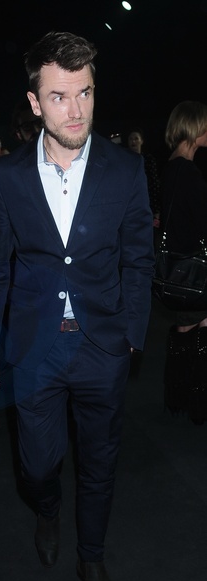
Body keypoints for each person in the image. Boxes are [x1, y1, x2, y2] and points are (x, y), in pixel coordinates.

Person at [0, 31, 155, 581]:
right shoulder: (9, 176)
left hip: (103, 345)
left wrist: (132, 336)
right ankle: (47, 508)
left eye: (85, 93)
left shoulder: (126, 170)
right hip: (34, 347)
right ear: (35, 103)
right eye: (59, 96)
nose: (75, 110)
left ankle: (92, 557)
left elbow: (139, 259)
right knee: (37, 464)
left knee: (100, 462)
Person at [160, 101, 207, 424]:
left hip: (179, 269)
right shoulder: (188, 172)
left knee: (188, 330)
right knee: (194, 331)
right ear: (193, 128)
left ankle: (181, 398)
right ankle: (194, 401)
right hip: (194, 269)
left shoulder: (171, 168)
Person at [127, 127, 161, 231]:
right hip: (131, 206)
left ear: (141, 141)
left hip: (148, 204)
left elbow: (154, 184)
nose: (133, 141)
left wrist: (157, 211)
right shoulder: (124, 161)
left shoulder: (148, 159)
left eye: (136, 138)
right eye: (131, 139)